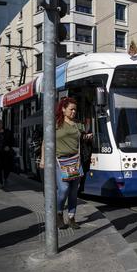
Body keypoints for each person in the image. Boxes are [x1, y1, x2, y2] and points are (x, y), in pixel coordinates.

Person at [39, 97, 93, 229]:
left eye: (75, 109)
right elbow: (45, 142)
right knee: (63, 189)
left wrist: (87, 136)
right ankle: (58, 213)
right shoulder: (55, 124)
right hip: (60, 161)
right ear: (63, 109)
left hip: (75, 161)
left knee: (74, 191)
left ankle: (71, 217)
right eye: (71, 109)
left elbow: (81, 138)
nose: (74, 112)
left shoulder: (77, 124)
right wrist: (43, 159)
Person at [0, 118, 15, 189]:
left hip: (6, 154)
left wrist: (9, 146)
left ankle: (5, 178)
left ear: (2, 124)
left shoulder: (8, 132)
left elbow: (12, 141)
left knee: (7, 168)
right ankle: (0, 182)